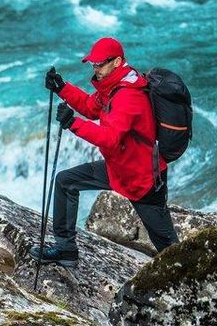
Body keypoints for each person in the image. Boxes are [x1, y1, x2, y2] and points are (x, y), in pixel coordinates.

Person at [35, 37, 178, 268]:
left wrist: (73, 124)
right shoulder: (112, 86)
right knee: (65, 181)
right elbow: (91, 108)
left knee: (169, 247)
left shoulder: (128, 95)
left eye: (100, 64)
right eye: (93, 64)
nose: (96, 69)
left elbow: (110, 139)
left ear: (117, 61)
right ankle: (65, 249)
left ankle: (187, 277)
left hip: (142, 180)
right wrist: (62, 88)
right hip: (118, 169)